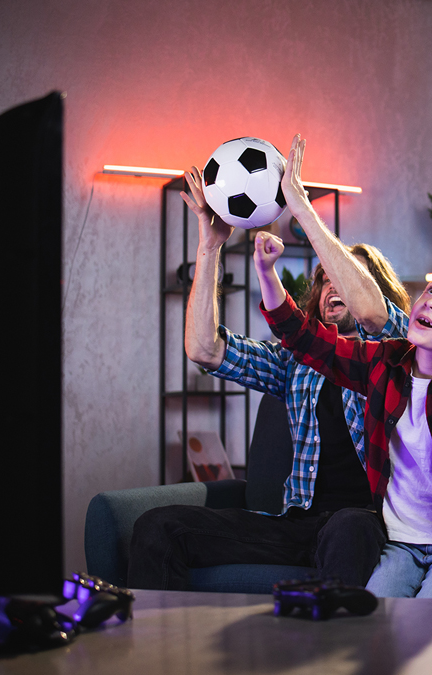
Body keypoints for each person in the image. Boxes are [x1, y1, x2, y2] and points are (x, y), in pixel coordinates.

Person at [126, 135, 411, 590]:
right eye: (322, 278)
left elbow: (372, 314)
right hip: (295, 522)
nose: (330, 283)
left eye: (340, 274)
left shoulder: (400, 351)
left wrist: (301, 207)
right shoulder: (295, 361)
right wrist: (210, 245)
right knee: (158, 527)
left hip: (370, 524)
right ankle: (164, 656)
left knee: (349, 527)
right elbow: (205, 349)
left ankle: (335, 654)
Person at [255, 224, 432, 598]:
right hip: (400, 542)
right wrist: (267, 271)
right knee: (377, 623)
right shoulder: (384, 364)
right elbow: (306, 340)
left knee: (430, 620)